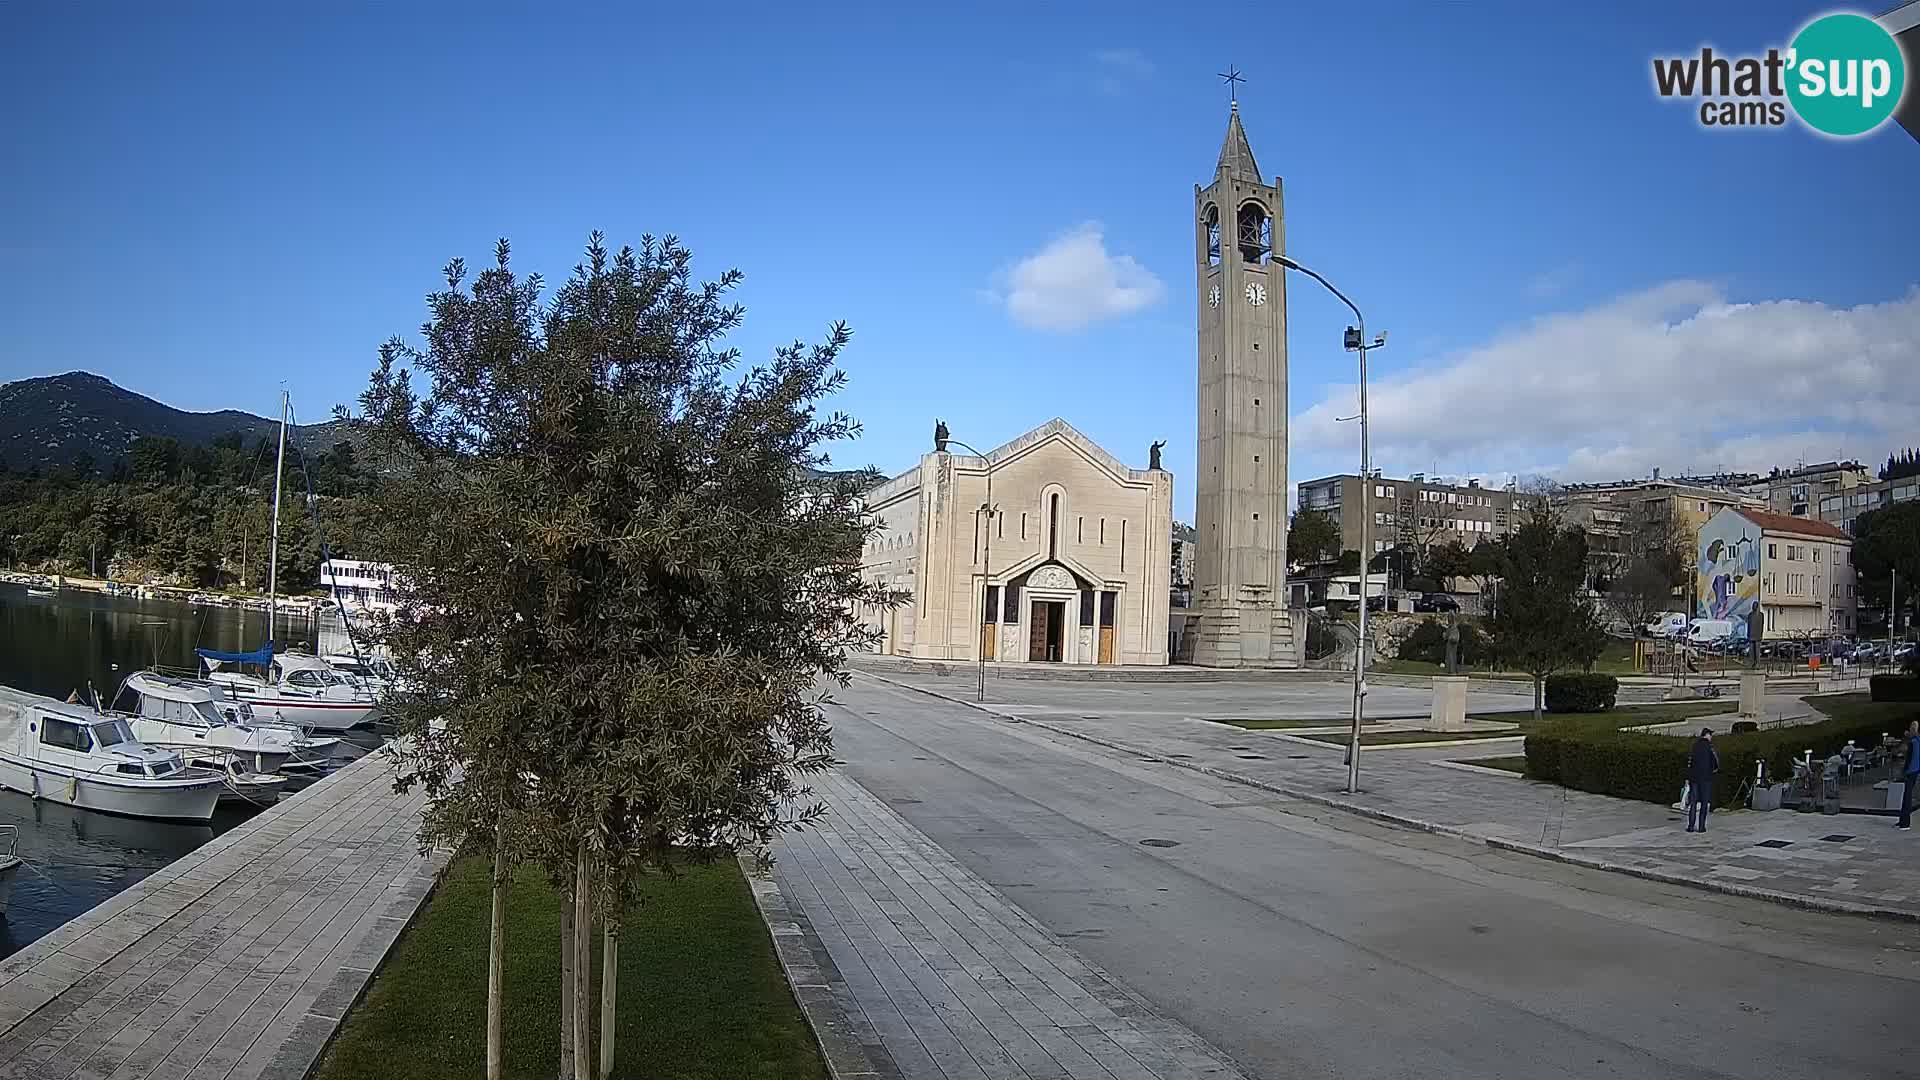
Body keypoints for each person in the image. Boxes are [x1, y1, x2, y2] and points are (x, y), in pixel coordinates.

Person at [1686, 728, 1719, 833]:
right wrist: (1713, 770)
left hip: (1694, 778)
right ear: (1707, 735)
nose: (1711, 737)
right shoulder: (1710, 747)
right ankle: (1701, 827)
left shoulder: (1694, 746)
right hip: (1706, 779)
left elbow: (1690, 763)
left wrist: (1688, 777)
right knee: (1704, 803)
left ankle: (1691, 826)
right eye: (1711, 735)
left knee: (1693, 803)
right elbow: (1716, 763)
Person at [1899, 720, 1920, 831]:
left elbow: (1909, 759)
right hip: (1916, 770)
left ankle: (1905, 823)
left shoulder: (1913, 742)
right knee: (1907, 795)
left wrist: (1904, 771)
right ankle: (1902, 820)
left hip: (1910, 771)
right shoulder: (1918, 739)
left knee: (1907, 796)